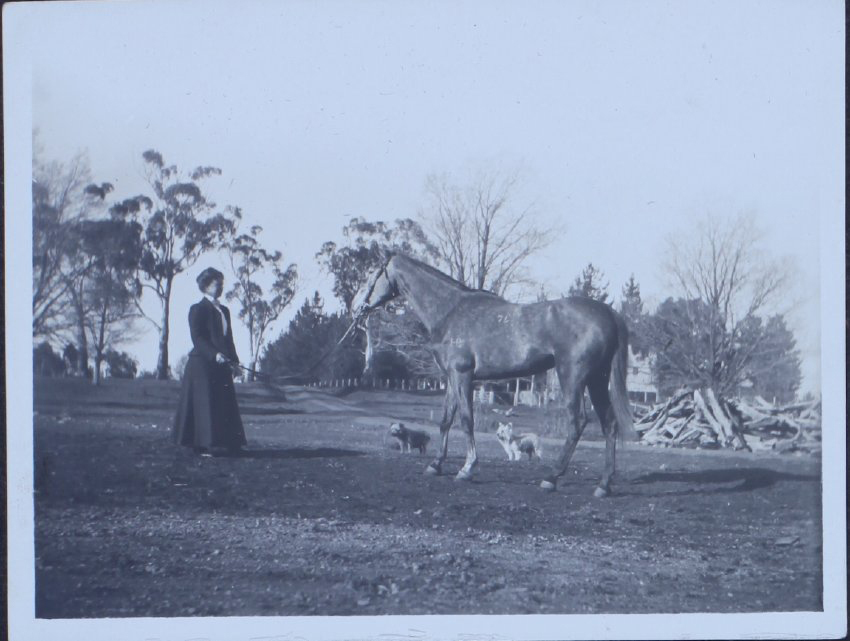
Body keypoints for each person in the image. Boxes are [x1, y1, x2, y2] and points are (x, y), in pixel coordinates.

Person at [173, 267, 246, 457]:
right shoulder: (197, 309)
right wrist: (214, 354)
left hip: (221, 365)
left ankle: (229, 443)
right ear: (205, 286)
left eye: (221, 284)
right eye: (216, 284)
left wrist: (235, 362)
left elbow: (229, 339)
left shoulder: (224, 311)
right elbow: (197, 338)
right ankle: (204, 446)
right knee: (205, 405)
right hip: (202, 365)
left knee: (224, 403)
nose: (220, 287)